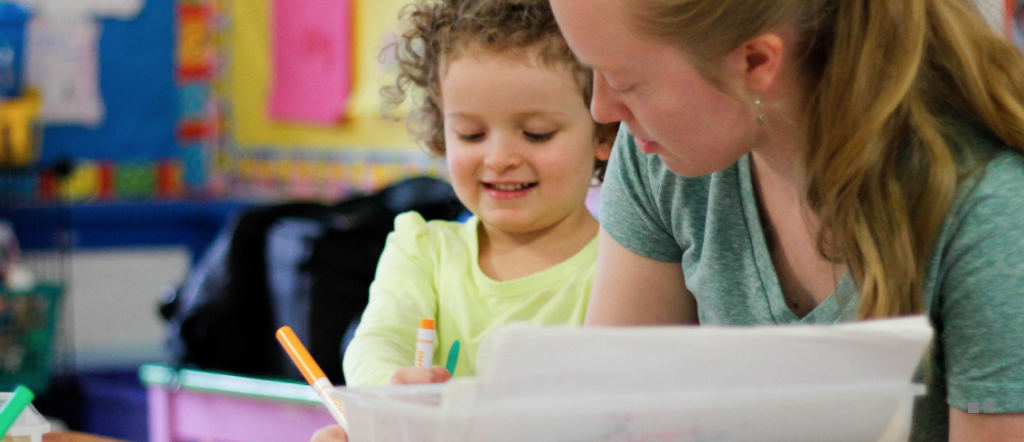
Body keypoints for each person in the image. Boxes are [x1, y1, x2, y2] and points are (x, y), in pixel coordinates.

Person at [548, 0, 1024, 440]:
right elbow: (615, 418)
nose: (601, 109)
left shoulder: (992, 212)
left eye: (625, 80)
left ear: (756, 61)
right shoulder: (660, 148)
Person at [313, 0, 617, 440]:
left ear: (602, 133)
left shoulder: (620, 269)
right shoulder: (422, 249)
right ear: (441, 131)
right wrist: (392, 387)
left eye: (536, 133)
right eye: (471, 134)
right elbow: (377, 341)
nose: (499, 158)